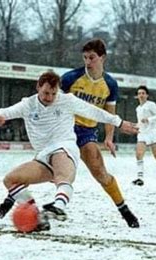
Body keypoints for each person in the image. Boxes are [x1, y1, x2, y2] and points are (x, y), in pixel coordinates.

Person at [0, 71, 139, 231]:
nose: (49, 97)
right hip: (43, 157)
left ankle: (58, 206)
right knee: (10, 180)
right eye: (46, 93)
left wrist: (119, 122)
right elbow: (4, 111)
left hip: (64, 148)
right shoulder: (28, 104)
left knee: (63, 177)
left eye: (53, 94)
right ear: (38, 87)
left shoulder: (67, 100)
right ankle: (38, 217)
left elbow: (95, 112)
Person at [60, 38, 139, 228]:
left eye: (92, 58)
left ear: (103, 58)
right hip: (65, 130)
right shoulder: (70, 78)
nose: (87, 62)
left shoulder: (110, 84)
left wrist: (109, 138)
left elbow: (109, 114)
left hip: (87, 132)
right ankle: (50, 205)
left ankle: (124, 209)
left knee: (101, 173)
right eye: (85, 57)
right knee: (55, 171)